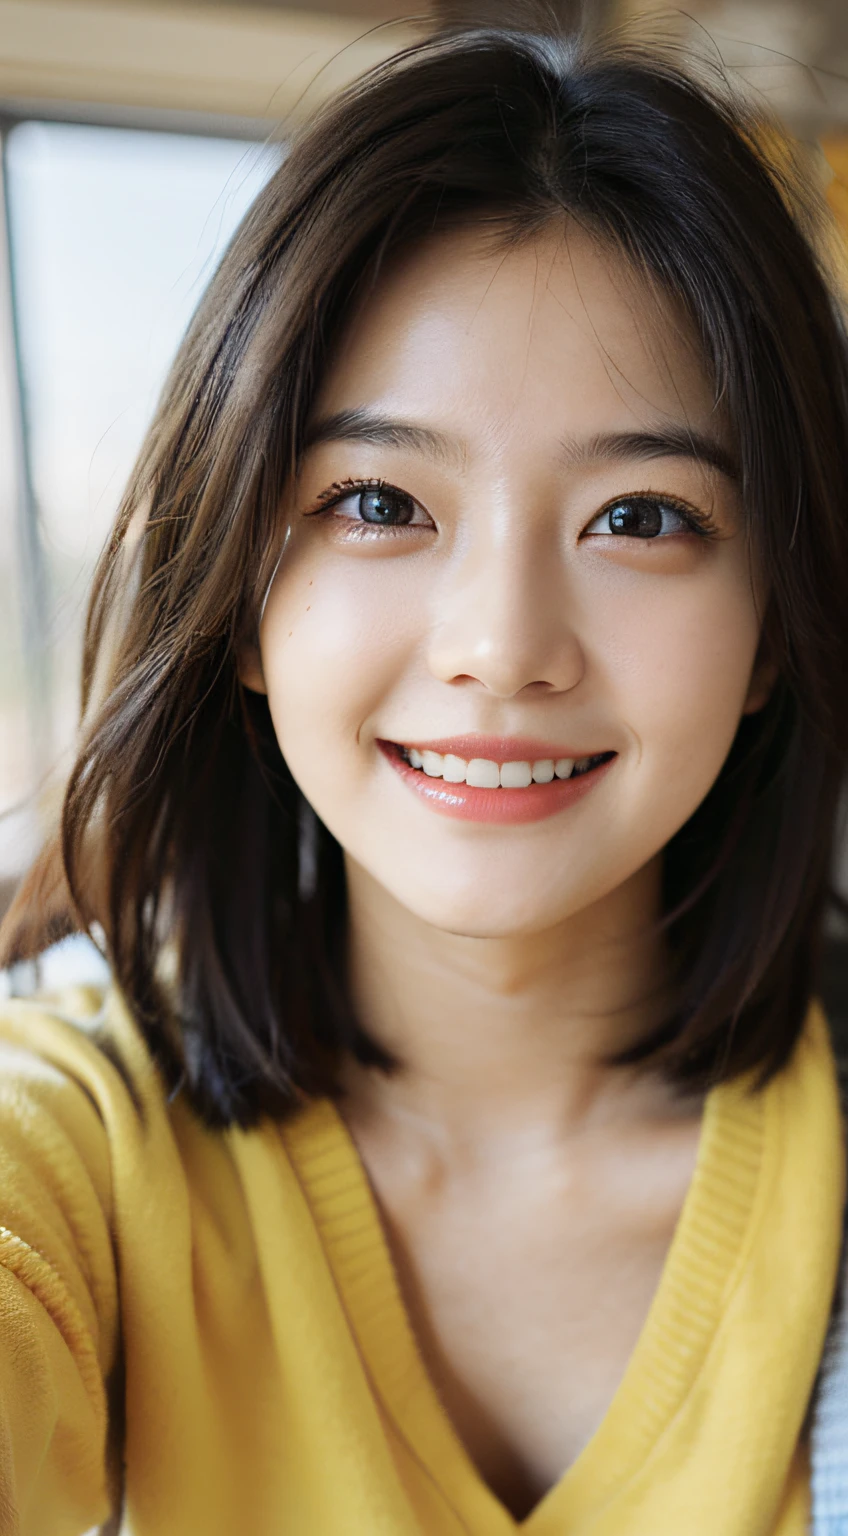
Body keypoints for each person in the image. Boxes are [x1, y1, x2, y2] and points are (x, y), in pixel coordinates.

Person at [1, 4, 847, 1532]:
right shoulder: (73, 1129)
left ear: (776, 624)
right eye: (381, 500)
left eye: (643, 516)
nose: (501, 646)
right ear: (241, 593)